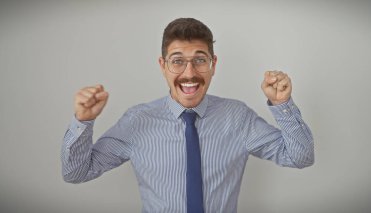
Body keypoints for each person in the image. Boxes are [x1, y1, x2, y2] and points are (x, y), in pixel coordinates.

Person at [61, 18, 314, 213]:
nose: (189, 72)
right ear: (163, 66)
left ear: (213, 64)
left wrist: (282, 104)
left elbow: (300, 157)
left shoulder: (237, 117)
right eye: (177, 61)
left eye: (200, 60)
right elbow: (76, 172)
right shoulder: (136, 121)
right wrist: (83, 121)